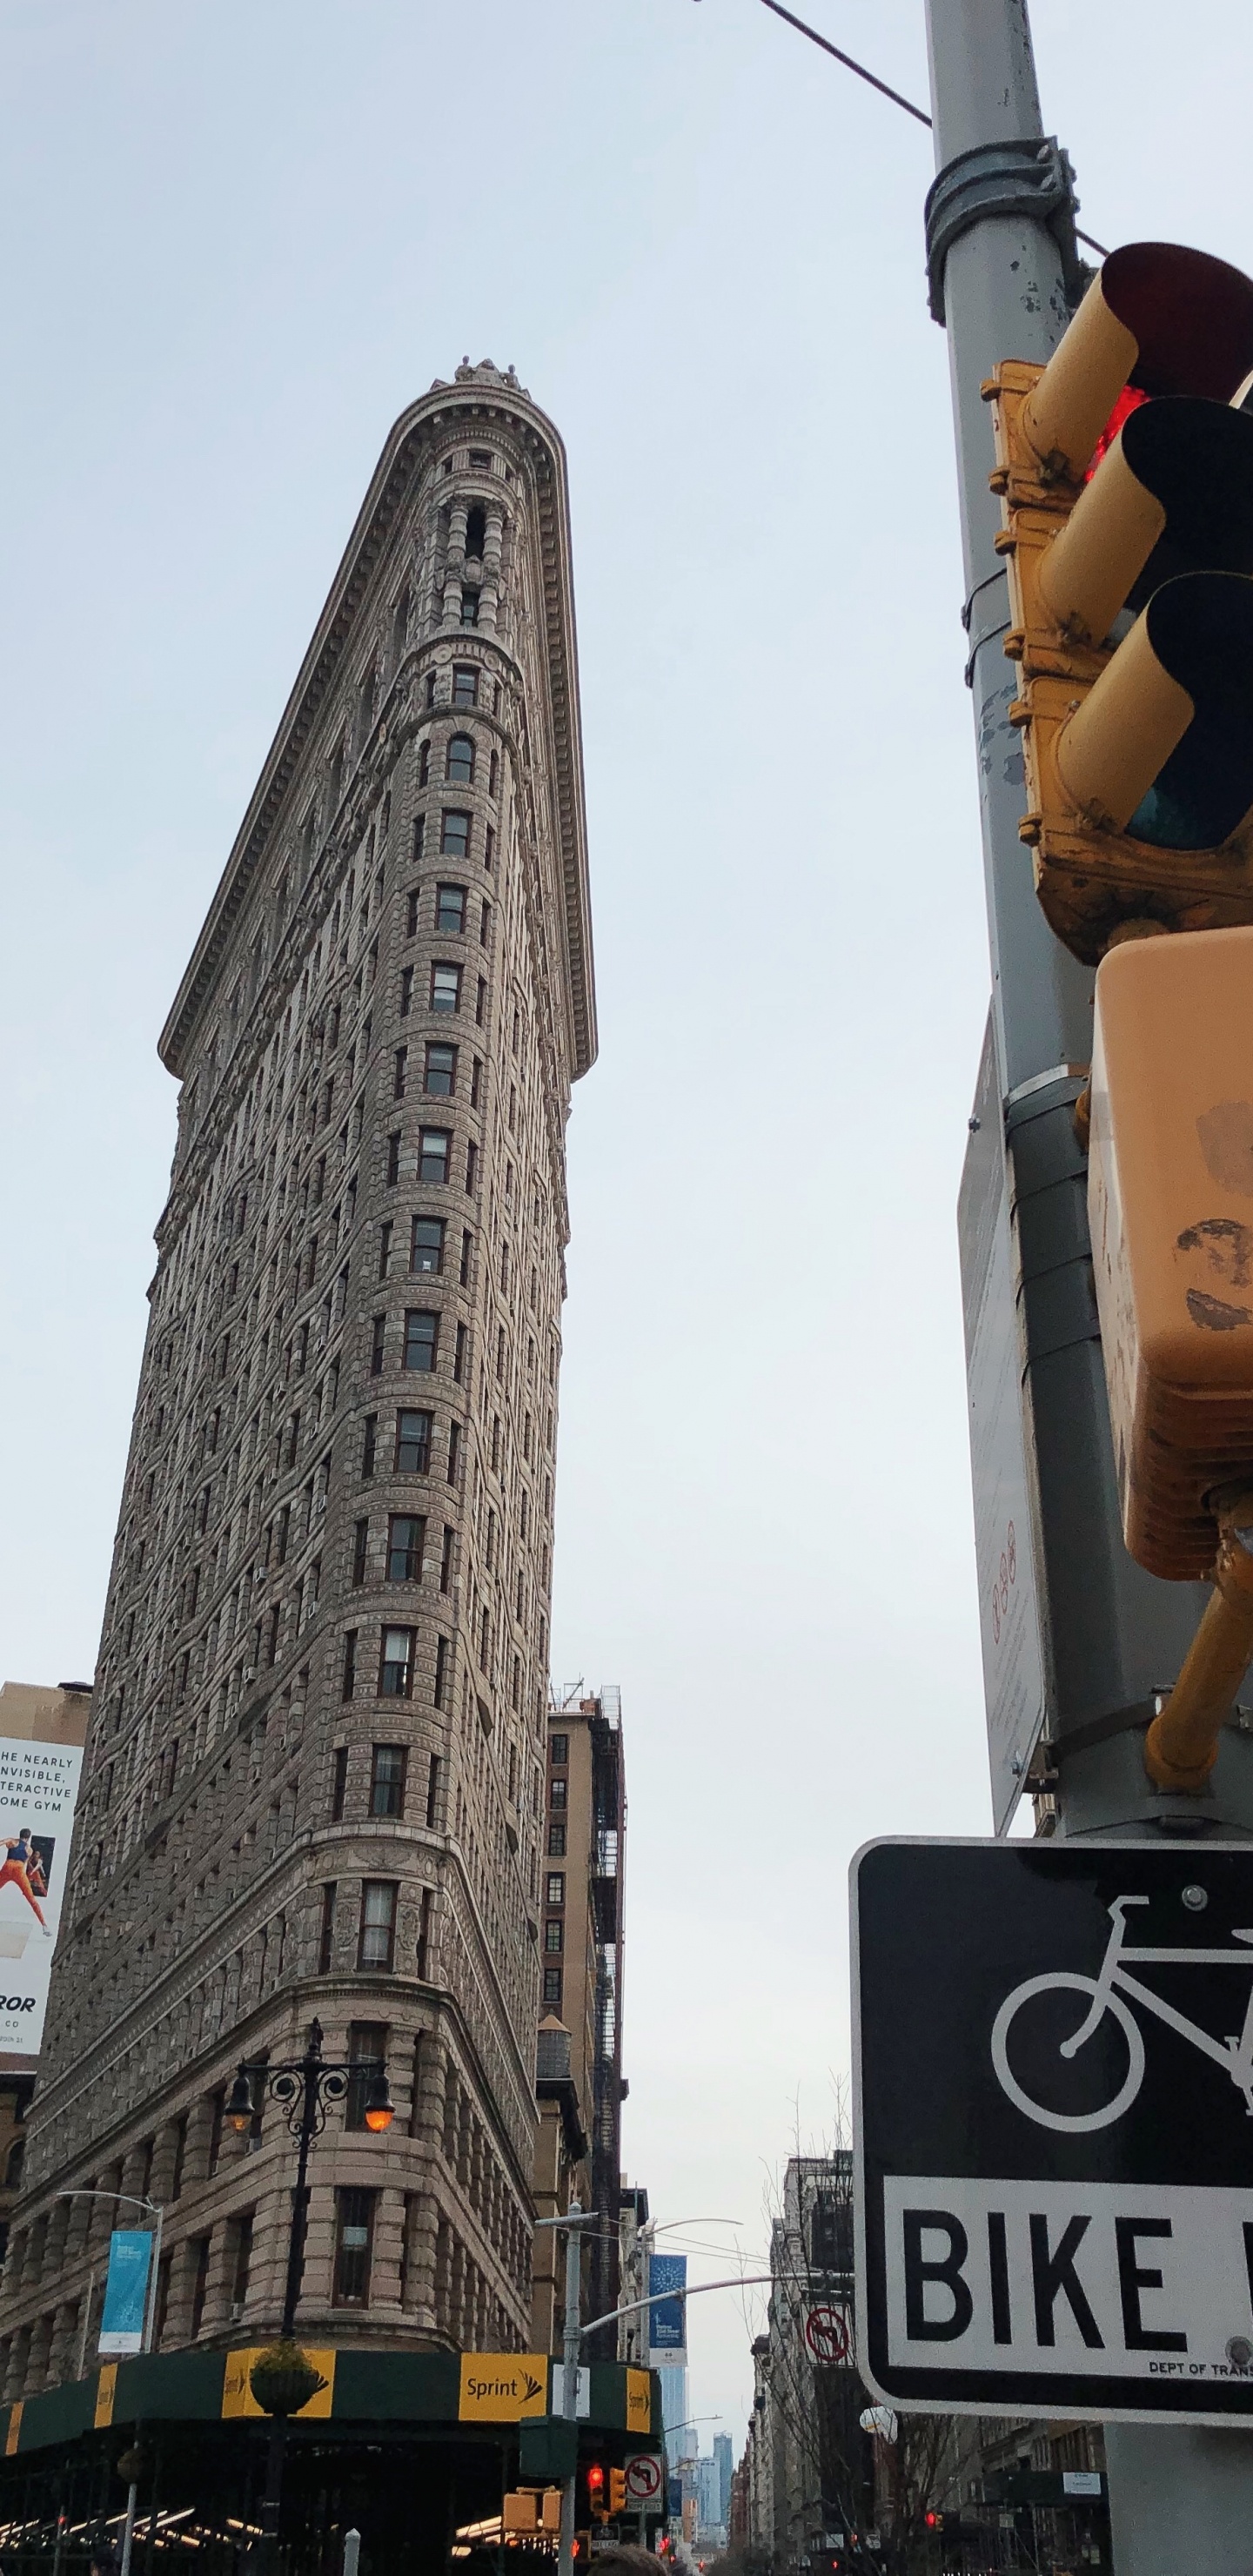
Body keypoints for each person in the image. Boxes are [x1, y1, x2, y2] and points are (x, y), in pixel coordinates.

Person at [0, 1830, 50, 1932]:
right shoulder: (29, 1849)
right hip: (19, 1869)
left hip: (8, 1866)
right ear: (28, 1838)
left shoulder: (12, 1841)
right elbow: (25, 1863)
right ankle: (44, 1925)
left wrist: (8, 1846)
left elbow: (2, 1842)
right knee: (31, 1899)